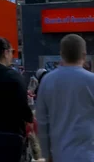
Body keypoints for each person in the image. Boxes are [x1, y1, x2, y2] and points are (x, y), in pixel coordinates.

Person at [36, 34, 94, 162]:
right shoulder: (91, 80)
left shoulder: (47, 81)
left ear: (61, 54)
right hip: (88, 155)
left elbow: (42, 121)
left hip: (59, 155)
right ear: (84, 55)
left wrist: (46, 154)